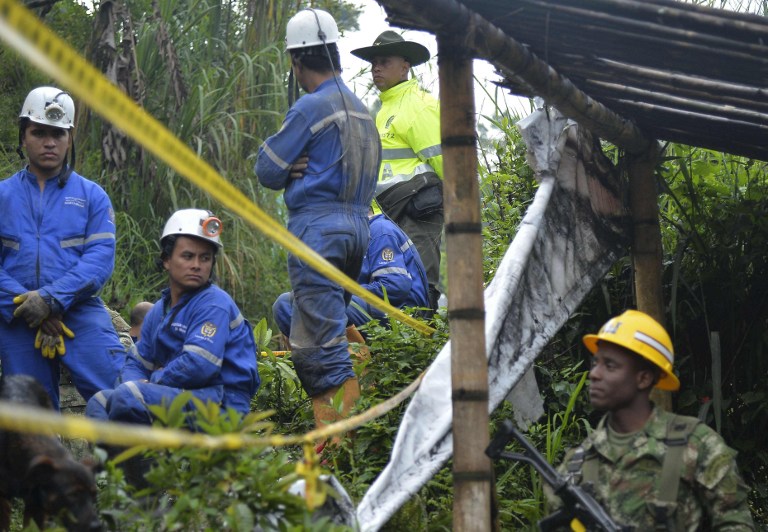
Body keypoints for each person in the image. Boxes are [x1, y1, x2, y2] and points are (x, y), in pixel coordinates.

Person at [255, 8, 380, 433]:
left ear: (296, 60)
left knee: (318, 351)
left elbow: (267, 170)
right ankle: (372, 391)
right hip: (357, 235)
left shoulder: (310, 106)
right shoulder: (363, 111)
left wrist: (292, 167)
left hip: (318, 235)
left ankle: (340, 451)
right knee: (335, 328)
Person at [549, 310, 755, 530]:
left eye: (610, 365)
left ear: (644, 378)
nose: (595, 374)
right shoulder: (576, 464)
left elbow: (736, 524)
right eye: (595, 363)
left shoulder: (696, 445)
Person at [0, 86, 125, 410]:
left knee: (120, 398)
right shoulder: (2, 197)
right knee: (30, 423)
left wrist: (51, 300)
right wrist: (33, 308)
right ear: (23, 135)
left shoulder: (92, 197)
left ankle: (132, 462)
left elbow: (99, 262)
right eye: (38, 132)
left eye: (58, 133)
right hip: (16, 314)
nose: (49, 141)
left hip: (80, 311)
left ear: (69, 138)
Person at [86, 209, 260, 426]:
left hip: (222, 403)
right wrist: (132, 383)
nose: (197, 264)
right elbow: (136, 363)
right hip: (179, 395)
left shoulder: (214, 304)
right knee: (100, 403)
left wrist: (151, 382)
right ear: (167, 260)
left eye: (205, 258)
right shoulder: (159, 311)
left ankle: (142, 459)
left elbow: (198, 366)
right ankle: (114, 461)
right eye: (188, 256)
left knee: (129, 396)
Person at [351, 31, 444, 312]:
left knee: (420, 282)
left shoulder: (419, 105)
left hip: (419, 210)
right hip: (389, 213)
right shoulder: (384, 109)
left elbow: (448, 163)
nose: (375, 68)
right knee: (392, 279)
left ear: (405, 66)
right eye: (373, 62)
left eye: (384, 61)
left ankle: (422, 345)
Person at [273, 209, 430, 337]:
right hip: (365, 310)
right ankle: (324, 361)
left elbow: (395, 287)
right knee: (284, 304)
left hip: (402, 315)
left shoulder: (380, 230)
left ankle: (351, 362)